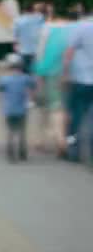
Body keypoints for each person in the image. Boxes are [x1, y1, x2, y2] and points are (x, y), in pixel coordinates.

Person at [32, 9, 76, 156]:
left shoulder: (45, 29)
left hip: (48, 71)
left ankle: (46, 139)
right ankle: (62, 139)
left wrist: (37, 74)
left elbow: (39, 53)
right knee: (62, 107)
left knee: (46, 107)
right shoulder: (75, 29)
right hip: (70, 73)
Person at [63, 15, 93, 163]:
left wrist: (65, 74)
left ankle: (73, 150)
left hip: (80, 79)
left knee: (75, 118)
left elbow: (69, 52)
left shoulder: (81, 26)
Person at [0, 53, 36, 162]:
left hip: (8, 109)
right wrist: (30, 98)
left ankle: (10, 153)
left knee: (10, 132)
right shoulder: (26, 78)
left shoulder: (4, 79)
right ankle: (22, 153)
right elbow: (33, 85)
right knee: (22, 132)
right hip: (22, 109)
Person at [13, 0, 45, 74]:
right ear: (33, 9)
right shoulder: (40, 18)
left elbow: (15, 36)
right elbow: (44, 31)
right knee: (37, 72)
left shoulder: (18, 20)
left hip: (23, 50)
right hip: (37, 49)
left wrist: (16, 46)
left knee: (25, 72)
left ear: (24, 9)